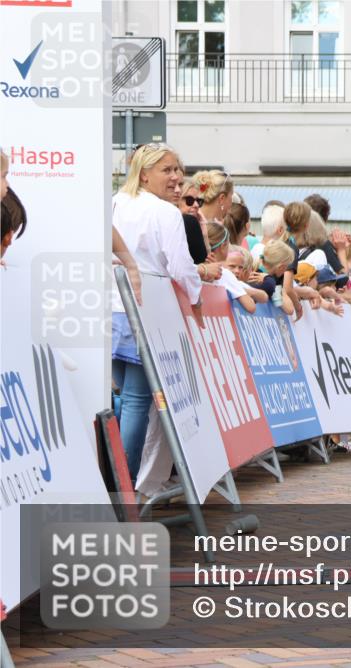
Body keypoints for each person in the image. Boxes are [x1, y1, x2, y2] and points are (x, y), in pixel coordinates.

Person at [111, 144, 203, 482]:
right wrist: (196, 297)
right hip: (142, 309)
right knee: (135, 401)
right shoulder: (165, 213)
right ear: (144, 173)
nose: (177, 176)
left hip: (109, 308)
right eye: (168, 170)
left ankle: (118, 480)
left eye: (178, 169)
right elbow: (181, 265)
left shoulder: (114, 203)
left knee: (122, 398)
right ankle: (124, 487)